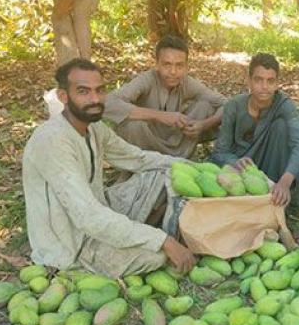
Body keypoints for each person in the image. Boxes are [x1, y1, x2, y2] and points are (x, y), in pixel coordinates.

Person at [22, 58, 196, 278]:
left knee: (163, 173)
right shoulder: (52, 140)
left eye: (99, 90)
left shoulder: (94, 128)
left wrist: (199, 169)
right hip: (70, 243)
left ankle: (148, 235)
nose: (95, 99)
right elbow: (88, 217)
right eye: (83, 92)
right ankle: (155, 239)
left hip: (99, 208)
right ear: (63, 96)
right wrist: (163, 241)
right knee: (157, 256)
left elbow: (138, 158)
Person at [210, 53, 299, 206]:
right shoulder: (233, 106)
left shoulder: (283, 104)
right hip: (241, 169)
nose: (264, 86)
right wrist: (235, 162)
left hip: (271, 169)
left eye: (270, 81)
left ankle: (276, 194)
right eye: (258, 80)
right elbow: (219, 152)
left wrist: (285, 182)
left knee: (281, 127)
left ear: (277, 84)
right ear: (249, 81)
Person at [103, 35, 226, 158]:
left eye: (179, 65)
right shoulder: (147, 79)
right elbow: (107, 103)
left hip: (176, 144)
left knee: (204, 106)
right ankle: (140, 167)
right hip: (145, 145)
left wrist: (204, 125)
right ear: (157, 65)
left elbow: (226, 104)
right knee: (132, 126)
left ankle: (180, 160)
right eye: (167, 65)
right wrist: (159, 116)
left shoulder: (186, 82)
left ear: (186, 67)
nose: (173, 71)